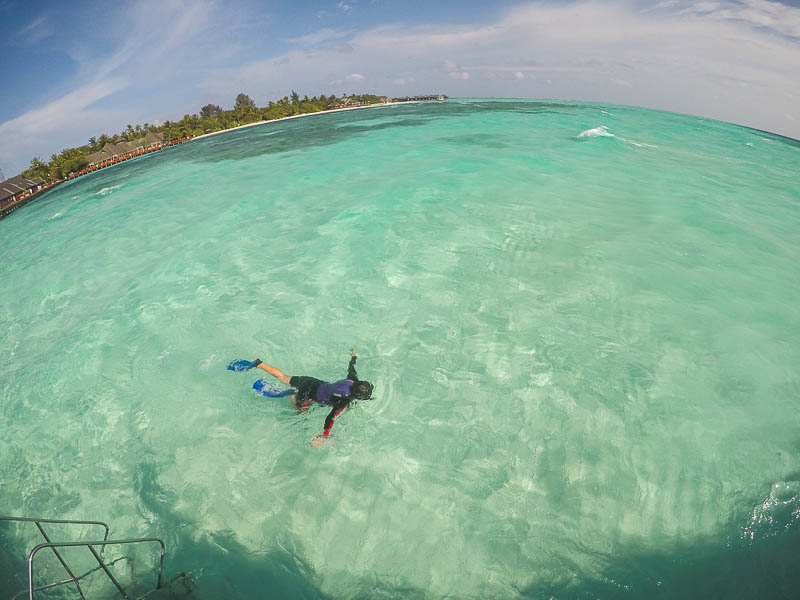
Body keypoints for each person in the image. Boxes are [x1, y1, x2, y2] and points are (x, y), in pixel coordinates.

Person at [252, 348, 374, 446]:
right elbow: (330, 417)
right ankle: (293, 396)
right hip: (308, 395)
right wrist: (325, 435)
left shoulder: (352, 379)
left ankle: (260, 365)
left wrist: (353, 356)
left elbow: (351, 367)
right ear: (357, 396)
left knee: (284, 378)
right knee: (302, 415)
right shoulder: (344, 399)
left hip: (312, 382)